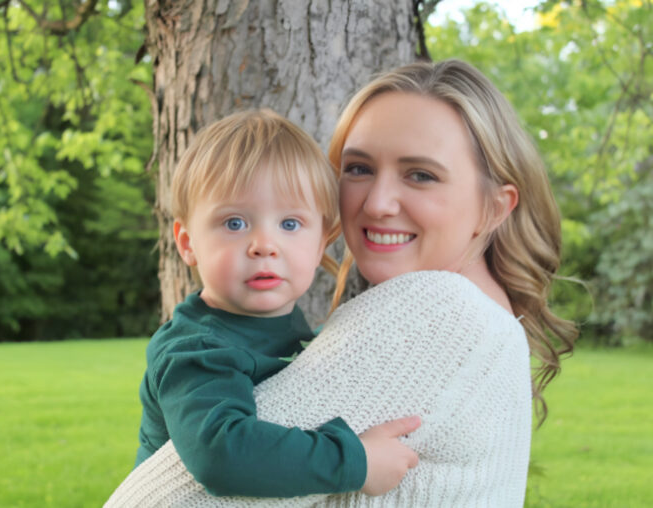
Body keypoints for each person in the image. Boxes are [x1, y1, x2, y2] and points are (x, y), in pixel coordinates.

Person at [105, 59, 577, 507]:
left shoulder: (439, 311)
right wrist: (352, 458)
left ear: (495, 207)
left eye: (420, 175)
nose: (376, 204)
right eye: (358, 169)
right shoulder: (488, 320)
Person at [132, 108, 421, 500]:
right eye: (234, 223)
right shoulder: (196, 350)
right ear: (187, 243)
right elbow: (222, 453)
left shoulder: (285, 328)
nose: (264, 245)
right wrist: (355, 461)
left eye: (289, 224)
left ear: (321, 242)